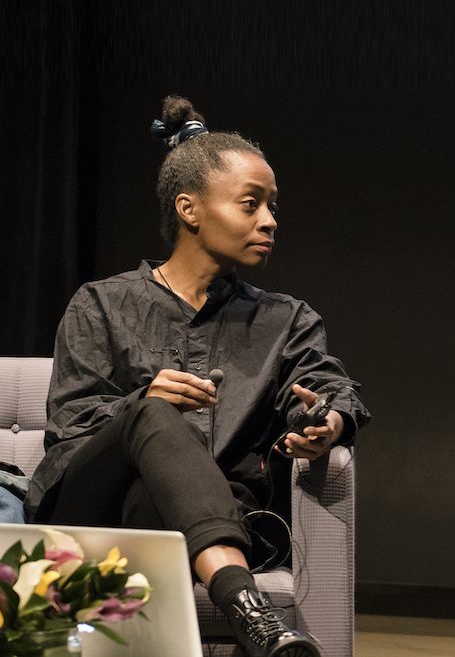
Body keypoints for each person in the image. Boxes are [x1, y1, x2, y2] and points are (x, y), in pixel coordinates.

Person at [27, 96, 371, 657]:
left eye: (273, 207)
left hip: (200, 517)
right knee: (153, 414)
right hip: (90, 509)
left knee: (154, 502)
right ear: (190, 210)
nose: (270, 221)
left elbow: (328, 385)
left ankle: (235, 615)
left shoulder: (287, 319)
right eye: (251, 204)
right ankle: (248, 607)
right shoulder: (101, 305)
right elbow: (69, 425)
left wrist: (327, 420)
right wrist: (141, 405)